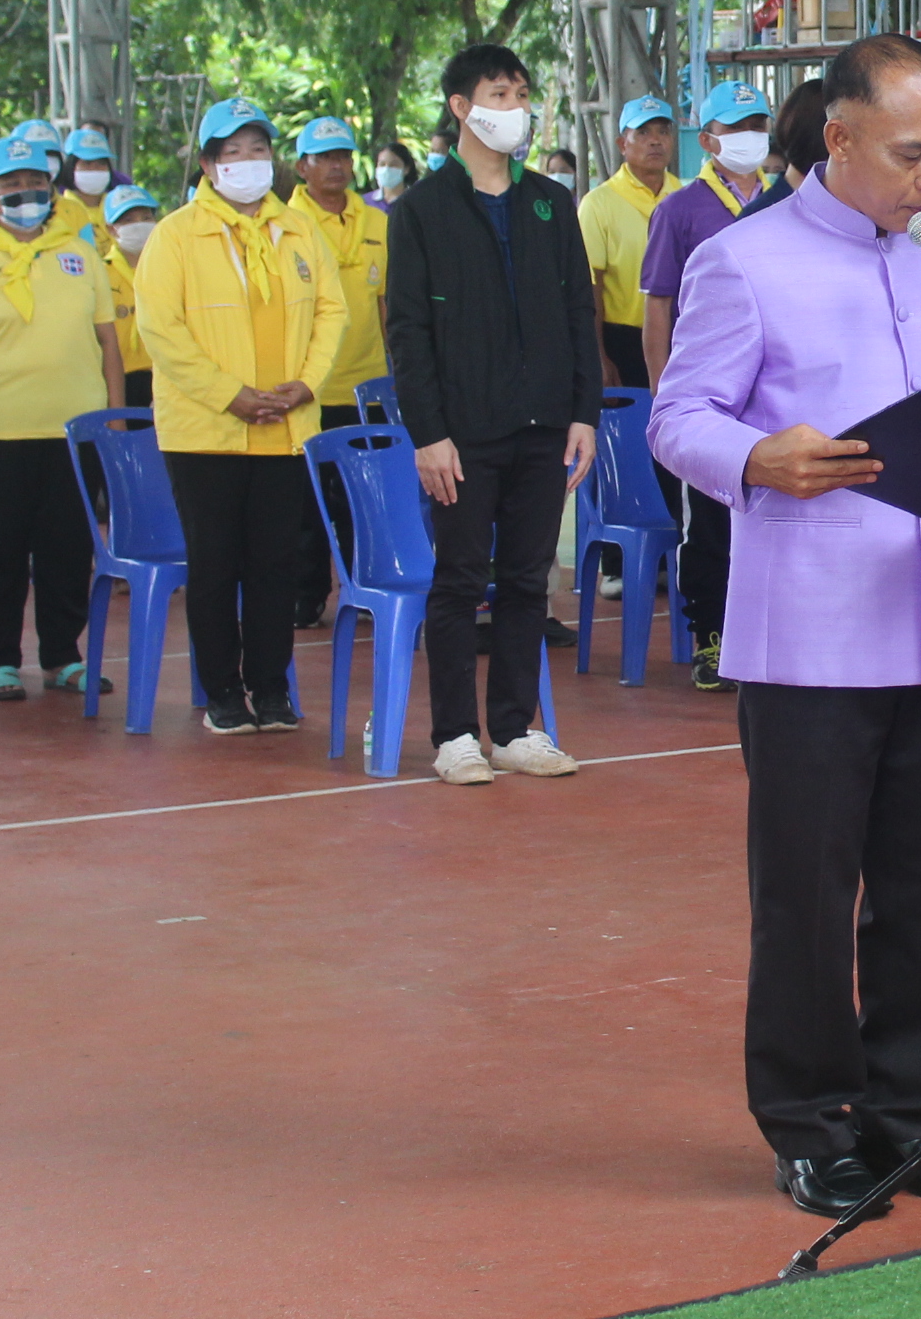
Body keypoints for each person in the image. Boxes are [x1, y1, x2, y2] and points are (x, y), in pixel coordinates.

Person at [647, 32, 921, 1223]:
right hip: (812, 631)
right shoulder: (745, 261)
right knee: (809, 896)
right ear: (842, 138)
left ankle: (907, 1118)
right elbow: (678, 417)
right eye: (914, 154)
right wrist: (758, 455)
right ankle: (811, 1125)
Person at [385, 43, 600, 784]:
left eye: (520, 95)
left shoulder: (549, 202)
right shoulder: (421, 211)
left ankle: (513, 727)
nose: (514, 109)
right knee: (459, 578)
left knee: (527, 579)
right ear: (460, 108)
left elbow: (580, 311)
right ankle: (454, 735)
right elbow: (407, 333)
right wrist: (429, 434)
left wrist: (584, 413)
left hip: (545, 423)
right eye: (499, 95)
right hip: (463, 432)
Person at [136, 99, 347, 736]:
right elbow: (161, 330)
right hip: (206, 433)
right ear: (208, 164)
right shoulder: (175, 234)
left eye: (258, 150)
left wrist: (306, 386)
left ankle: (272, 687)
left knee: (273, 566)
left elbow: (332, 312)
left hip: (285, 428)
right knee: (215, 564)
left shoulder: (299, 229)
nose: (248, 164)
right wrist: (230, 394)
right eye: (233, 153)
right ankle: (222, 690)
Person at [0, 126, 124, 702]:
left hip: (75, 431)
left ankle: (63, 655)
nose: (26, 195)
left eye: (37, 183)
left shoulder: (79, 253)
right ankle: (0, 660)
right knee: (2, 550)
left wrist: (113, 419)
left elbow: (108, 344)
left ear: (53, 187)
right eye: (12, 186)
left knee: (69, 547)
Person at [638, 84, 770, 693]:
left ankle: (763, 630)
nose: (751, 135)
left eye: (759, 123)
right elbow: (658, 307)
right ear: (709, 137)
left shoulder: (784, 201)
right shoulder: (682, 209)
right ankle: (709, 632)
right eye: (737, 125)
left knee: (769, 514)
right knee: (711, 518)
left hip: (771, 388)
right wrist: (665, 391)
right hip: (709, 387)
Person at [289, 114, 390, 628]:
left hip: (367, 384)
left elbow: (390, 302)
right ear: (301, 165)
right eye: (324, 157)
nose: (335, 167)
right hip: (308, 386)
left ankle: (364, 585)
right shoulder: (284, 223)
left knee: (364, 495)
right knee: (308, 501)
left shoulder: (377, 221)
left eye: (343, 157)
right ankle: (307, 595)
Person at [580, 93, 682, 392]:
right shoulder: (598, 204)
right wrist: (598, 356)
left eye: (663, 131)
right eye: (643, 132)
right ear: (622, 144)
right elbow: (590, 286)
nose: (655, 141)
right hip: (622, 341)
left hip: (681, 337)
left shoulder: (685, 197)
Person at [102, 182, 159, 406]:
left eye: (146, 218)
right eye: (127, 220)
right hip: (118, 378)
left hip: (163, 375)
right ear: (111, 228)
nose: (139, 225)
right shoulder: (101, 273)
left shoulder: (170, 267)